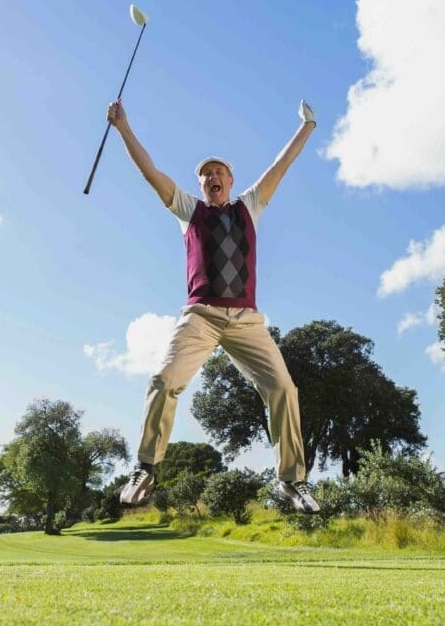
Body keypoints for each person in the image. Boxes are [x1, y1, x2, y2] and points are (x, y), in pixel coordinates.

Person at [110, 97, 321, 513]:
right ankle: (146, 468)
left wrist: (307, 127)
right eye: (205, 174)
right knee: (163, 379)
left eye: (218, 172)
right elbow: (150, 171)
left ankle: (292, 482)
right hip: (201, 316)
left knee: (283, 389)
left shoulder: (250, 205)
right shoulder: (189, 211)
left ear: (230, 178)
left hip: (246, 320)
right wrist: (123, 128)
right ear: (201, 185)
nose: (212, 178)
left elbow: (281, 165)